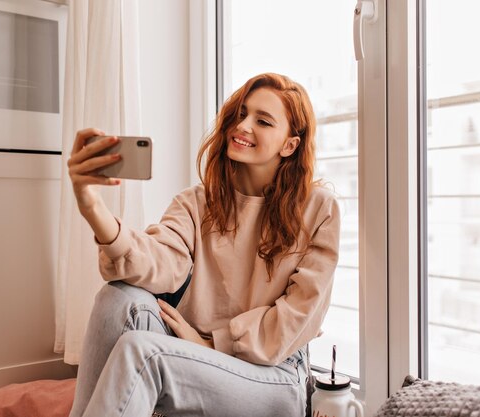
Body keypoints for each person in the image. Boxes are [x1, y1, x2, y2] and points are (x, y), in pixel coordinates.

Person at [66, 73, 340, 417]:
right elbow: (159, 259)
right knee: (117, 297)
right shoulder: (198, 202)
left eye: (263, 120)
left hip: (274, 376)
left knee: (144, 352)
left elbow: (297, 317)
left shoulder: (318, 208)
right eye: (241, 114)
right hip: (195, 355)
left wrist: (213, 343)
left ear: (290, 145)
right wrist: (91, 206)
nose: (243, 125)